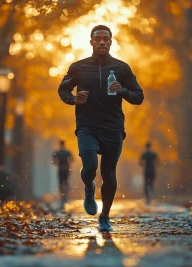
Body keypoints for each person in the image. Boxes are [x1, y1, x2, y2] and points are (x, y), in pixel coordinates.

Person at [58, 25, 144, 231]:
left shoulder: (122, 68)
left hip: (113, 127)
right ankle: (89, 187)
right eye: (98, 39)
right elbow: (63, 89)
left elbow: (138, 96)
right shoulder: (78, 67)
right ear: (91, 42)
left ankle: (104, 216)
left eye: (106, 38)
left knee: (109, 173)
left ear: (111, 42)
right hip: (87, 125)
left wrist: (122, 90)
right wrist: (73, 99)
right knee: (89, 167)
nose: (102, 42)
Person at [52, 140, 73, 208]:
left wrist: (56, 162)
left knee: (60, 182)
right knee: (66, 182)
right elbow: (72, 159)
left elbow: (54, 160)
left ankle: (62, 196)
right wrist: (68, 162)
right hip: (66, 168)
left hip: (60, 168)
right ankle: (65, 196)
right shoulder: (67, 152)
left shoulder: (57, 152)